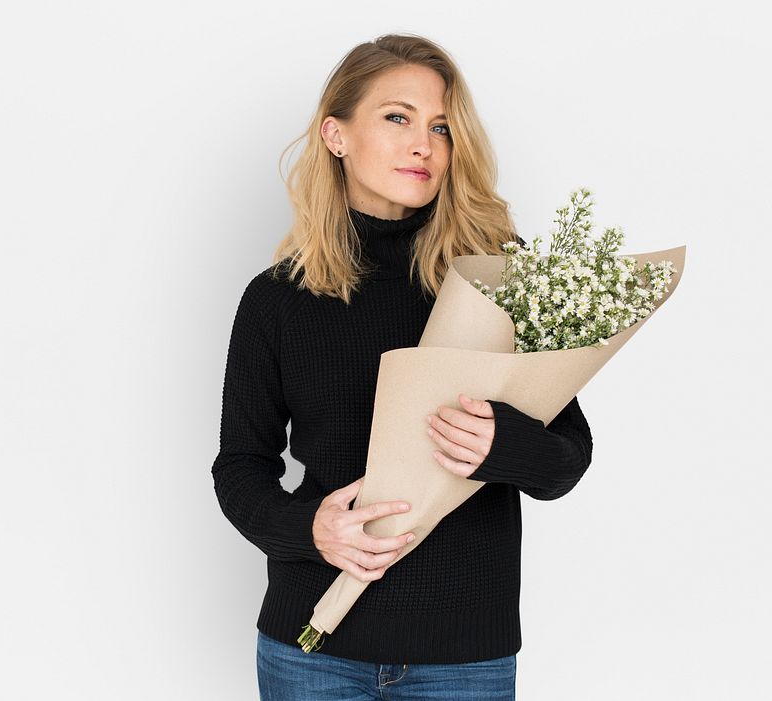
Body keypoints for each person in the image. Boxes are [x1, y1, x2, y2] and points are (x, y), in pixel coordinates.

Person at [211, 33, 593, 701]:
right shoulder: (276, 298)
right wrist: (310, 529)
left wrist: (505, 443)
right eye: (397, 117)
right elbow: (240, 465)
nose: (424, 144)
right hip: (312, 650)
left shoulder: (502, 281)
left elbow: (567, 458)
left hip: (464, 661)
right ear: (336, 135)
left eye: (442, 127)